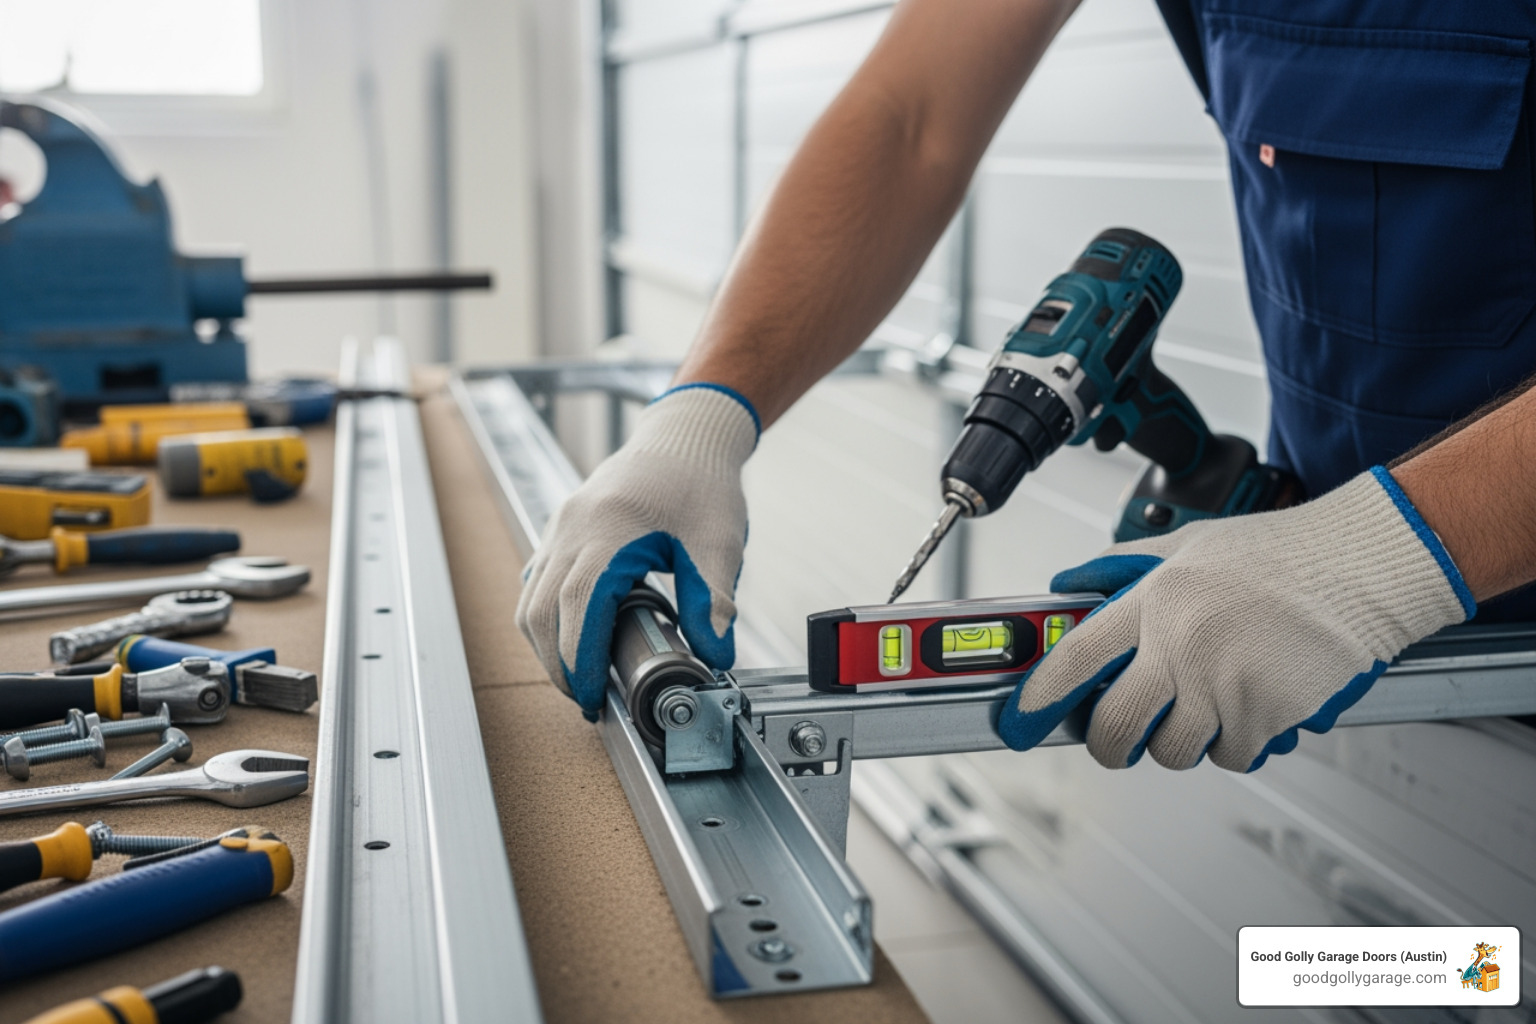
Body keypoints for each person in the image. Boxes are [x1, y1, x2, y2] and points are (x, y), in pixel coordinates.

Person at [517, 0, 1536, 774]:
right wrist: (702, 416)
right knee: (1426, 974)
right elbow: (912, 115)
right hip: (1328, 646)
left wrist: (1380, 557)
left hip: (1399, 590)